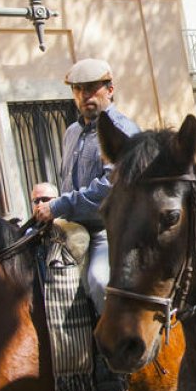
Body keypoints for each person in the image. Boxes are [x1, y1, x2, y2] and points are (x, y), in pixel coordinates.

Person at [33, 58, 140, 313]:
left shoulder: (122, 130)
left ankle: (115, 352)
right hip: (70, 228)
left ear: (110, 90)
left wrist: (59, 205)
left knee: (98, 281)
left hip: (107, 231)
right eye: (78, 89)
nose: (84, 96)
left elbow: (110, 185)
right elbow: (67, 181)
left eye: (92, 88)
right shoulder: (71, 132)